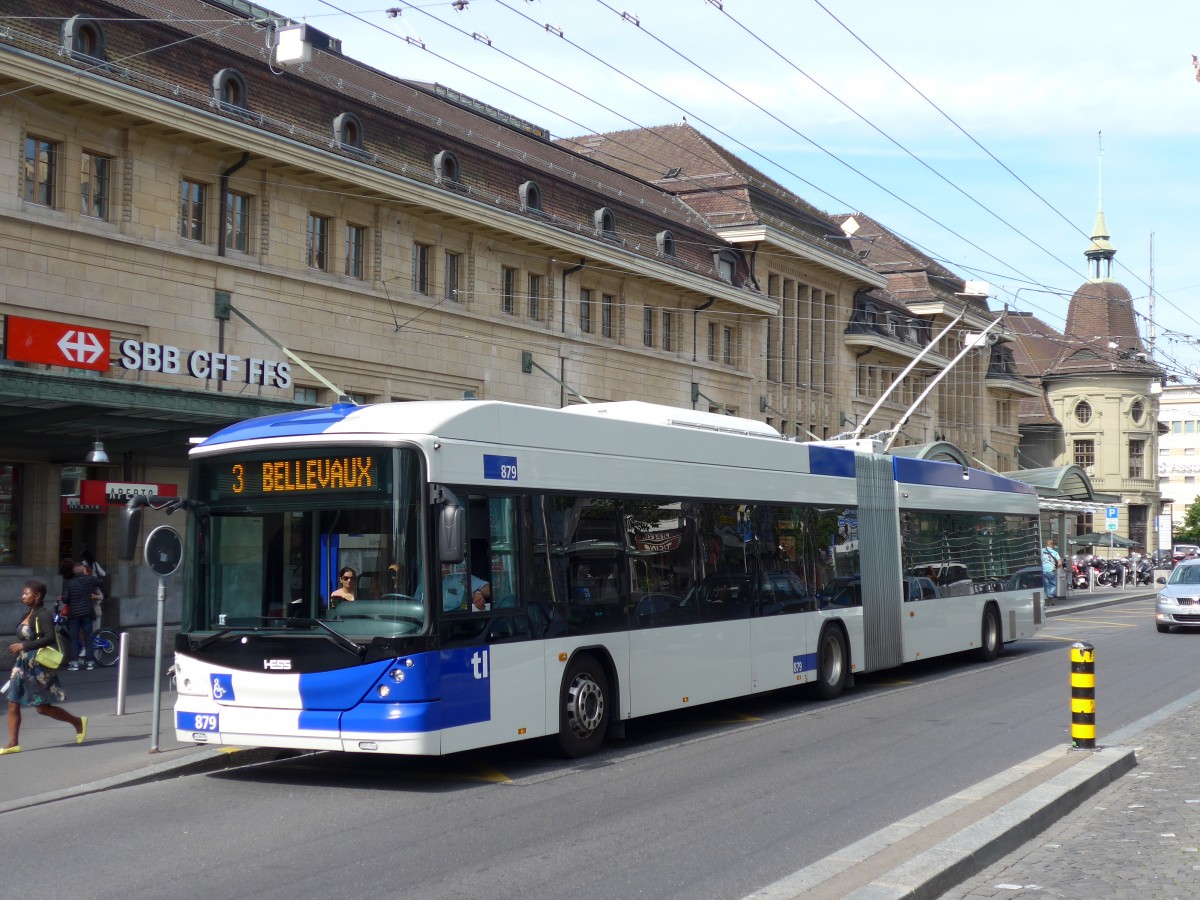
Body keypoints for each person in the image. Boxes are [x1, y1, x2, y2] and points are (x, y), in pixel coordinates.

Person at [4, 580, 87, 754]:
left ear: (37, 596)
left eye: (26, 593)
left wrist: (24, 646)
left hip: (38, 666)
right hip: (22, 665)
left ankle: (77, 722)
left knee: (42, 708)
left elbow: (50, 638)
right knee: (13, 702)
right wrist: (21, 648)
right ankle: (13, 743)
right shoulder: (27, 614)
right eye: (23, 593)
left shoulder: (43, 614)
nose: (23, 596)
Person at [59, 557, 102, 671]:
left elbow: (66, 599)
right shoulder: (89, 579)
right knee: (88, 638)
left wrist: (64, 597)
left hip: (74, 614)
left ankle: (74, 663)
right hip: (87, 612)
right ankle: (90, 662)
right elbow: (100, 581)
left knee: (74, 638)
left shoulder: (67, 582)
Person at [1041, 537, 1062, 606]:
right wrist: (1057, 567)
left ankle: (1049, 597)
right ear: (1052, 545)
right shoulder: (1054, 552)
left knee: (1047, 585)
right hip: (1051, 570)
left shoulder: (1041, 551)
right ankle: (1051, 596)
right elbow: (1060, 563)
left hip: (1044, 571)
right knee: (1053, 584)